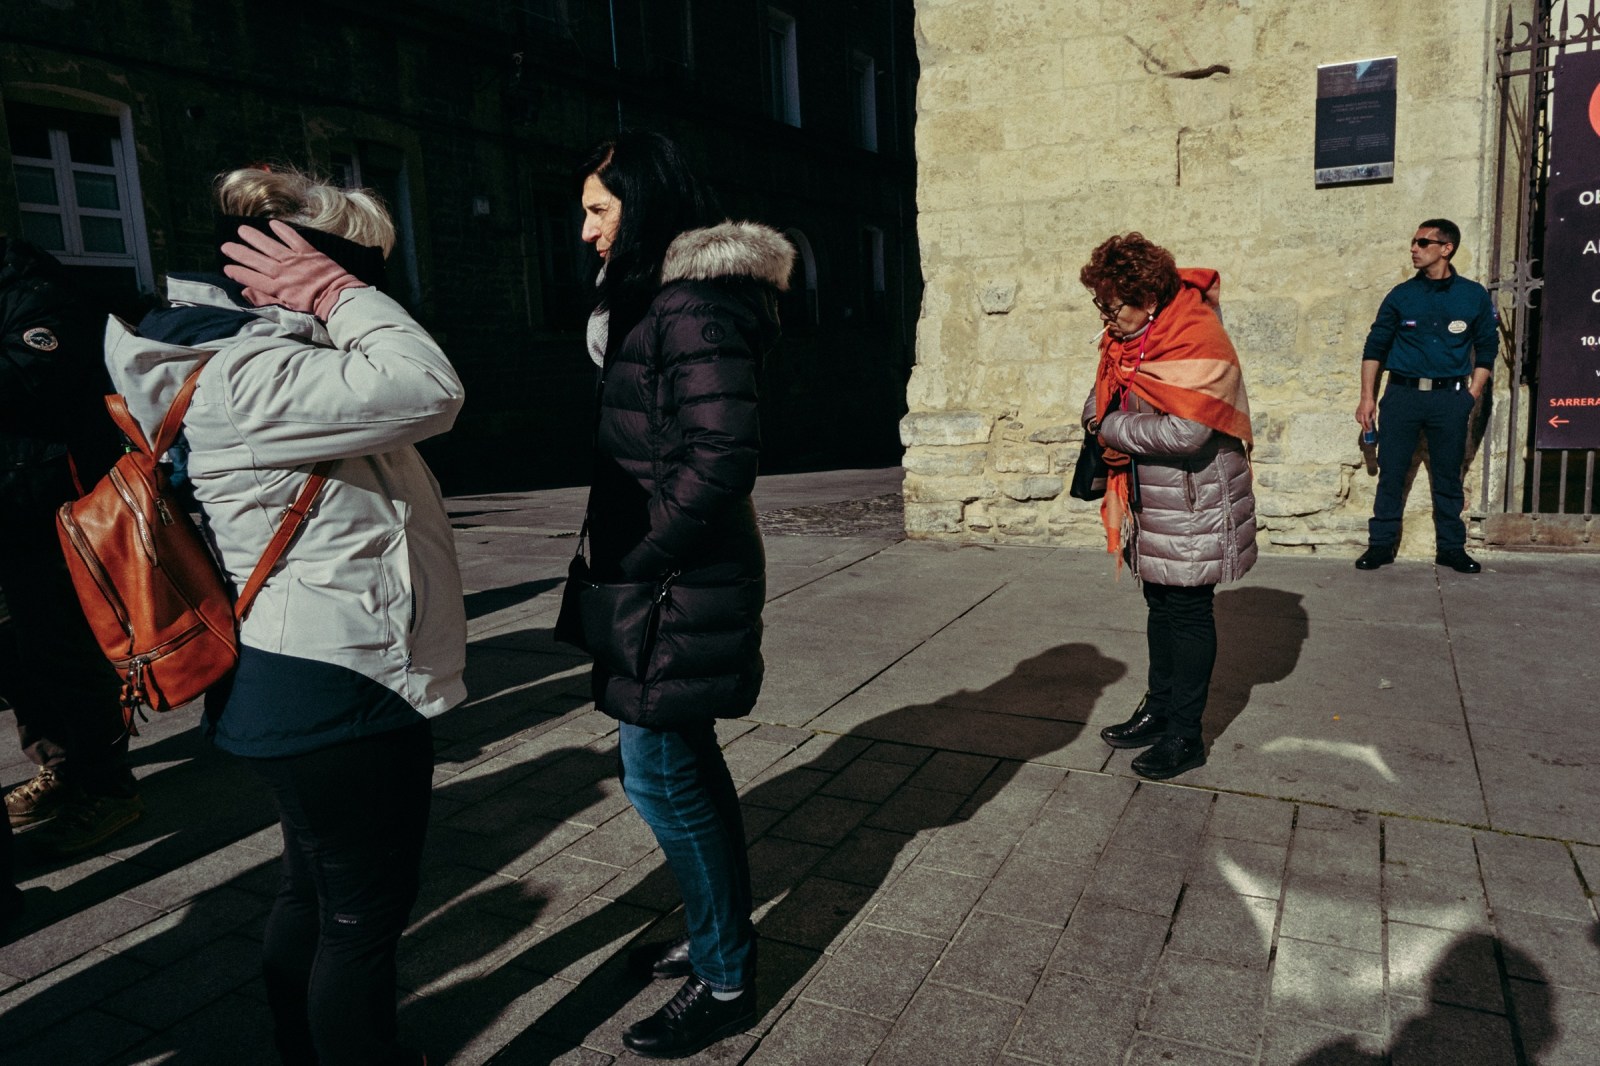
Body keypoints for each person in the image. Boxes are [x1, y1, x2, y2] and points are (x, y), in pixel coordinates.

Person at [103, 167, 467, 1066]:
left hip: (313, 672)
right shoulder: (255, 370)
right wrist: (339, 293)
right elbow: (432, 390)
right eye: (360, 269)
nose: (371, 290)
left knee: (315, 896)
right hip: (339, 684)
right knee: (359, 920)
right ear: (303, 265)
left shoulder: (261, 361)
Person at [574, 131, 792, 1058]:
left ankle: (726, 977)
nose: (583, 230)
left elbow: (720, 459)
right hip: (663, 575)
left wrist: (639, 554)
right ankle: (715, 939)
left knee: (663, 778)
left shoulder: (693, 307)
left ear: (645, 205)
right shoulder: (663, 299)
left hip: (675, 580)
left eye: (598, 209)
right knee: (680, 770)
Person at [1078, 233, 1257, 781]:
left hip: (1194, 499)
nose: (1106, 317)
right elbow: (1100, 393)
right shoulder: (1127, 340)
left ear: (1147, 297)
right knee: (1159, 605)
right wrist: (1101, 416)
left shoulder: (1195, 335)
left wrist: (1105, 427)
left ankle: (1186, 733)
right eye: (1100, 305)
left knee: (1188, 612)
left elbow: (1187, 432)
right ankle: (1157, 709)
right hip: (1150, 499)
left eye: (1113, 305)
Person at [0, 234, 139, 862]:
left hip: (45, 509)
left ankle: (108, 788)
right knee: (12, 657)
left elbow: (33, 376)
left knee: (63, 652)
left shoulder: (33, 291)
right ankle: (57, 766)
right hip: (6, 510)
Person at [1353, 218, 1496, 574]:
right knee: (1392, 473)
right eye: (1413, 242)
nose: (1413, 248)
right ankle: (1381, 545)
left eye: (1422, 242)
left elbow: (1487, 351)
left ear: (1446, 249)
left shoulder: (1472, 295)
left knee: (1448, 477)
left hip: (1449, 399)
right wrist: (1367, 398)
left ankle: (1451, 548)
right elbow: (1375, 347)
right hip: (1402, 396)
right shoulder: (1402, 295)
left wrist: (1470, 395)